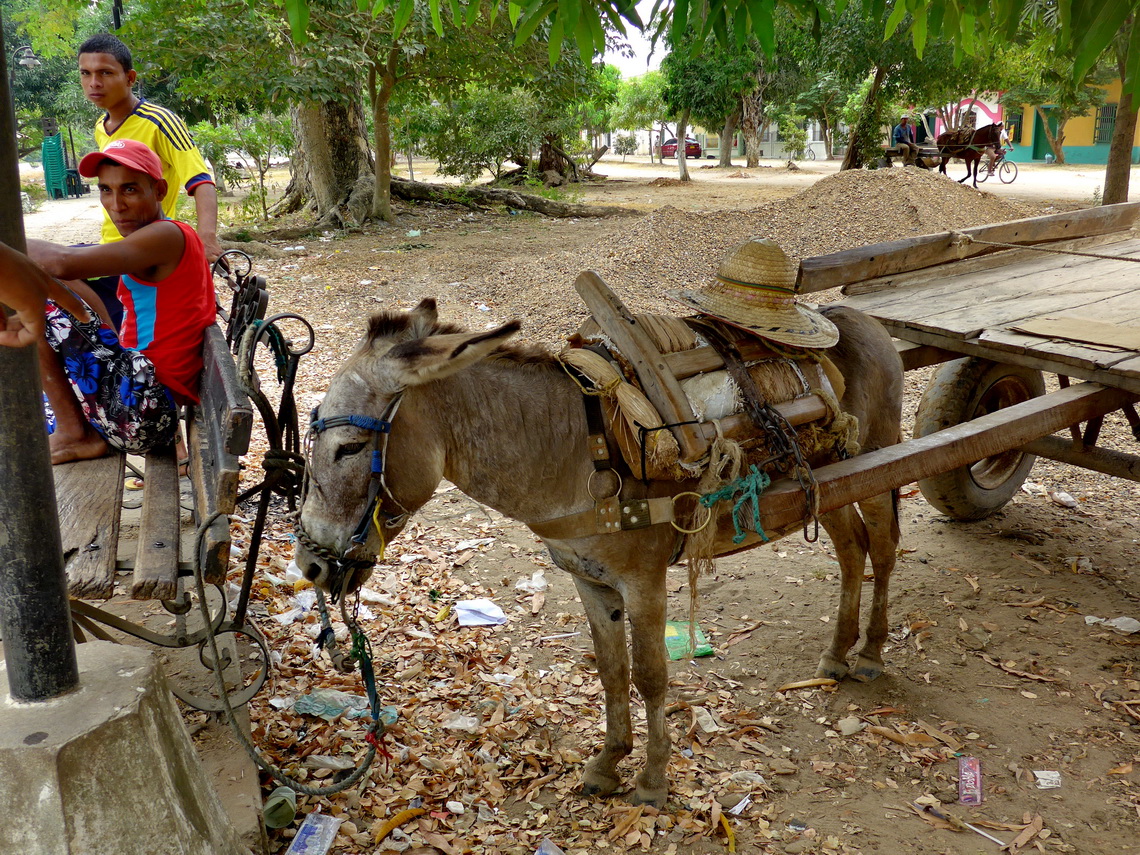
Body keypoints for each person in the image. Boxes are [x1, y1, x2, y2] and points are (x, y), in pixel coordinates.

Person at [1, 140, 216, 465]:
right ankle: (70, 427)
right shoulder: (162, 236)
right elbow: (65, 273)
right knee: (54, 286)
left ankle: (74, 434)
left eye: (129, 189)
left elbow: (62, 262)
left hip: (144, 408)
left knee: (39, 299)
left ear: (158, 190)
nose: (116, 204)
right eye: (105, 190)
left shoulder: (167, 236)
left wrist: (7, 247)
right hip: (144, 399)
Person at [77, 32, 221, 327]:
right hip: (112, 249)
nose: (94, 83)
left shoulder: (160, 121)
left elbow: (200, 179)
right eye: (86, 73)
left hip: (144, 253)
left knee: (56, 271)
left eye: (105, 73)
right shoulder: (101, 128)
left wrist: (207, 238)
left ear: (129, 78)